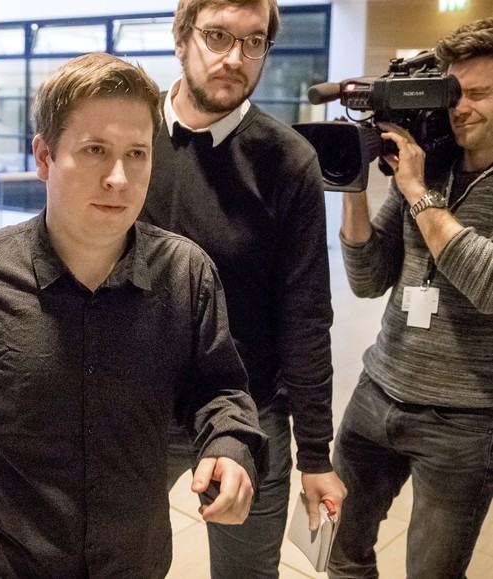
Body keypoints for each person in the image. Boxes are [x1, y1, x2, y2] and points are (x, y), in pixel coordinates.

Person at [0, 52, 269, 578]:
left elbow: (220, 387)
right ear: (45, 157)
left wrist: (229, 444)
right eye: (95, 150)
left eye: (137, 153)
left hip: (135, 561)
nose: (119, 178)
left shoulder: (185, 273)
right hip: (15, 563)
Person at [137, 0, 348, 576]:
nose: (235, 58)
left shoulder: (287, 160)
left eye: (253, 42)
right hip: (134, 402)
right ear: (181, 39)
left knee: (247, 573)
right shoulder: (130, 136)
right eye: (217, 36)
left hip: (249, 409)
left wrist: (315, 455)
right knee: (109, 558)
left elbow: (305, 315)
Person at [328, 17, 493, 579]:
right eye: (454, 93)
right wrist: (352, 188)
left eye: (479, 94)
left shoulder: (424, 181)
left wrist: (419, 195)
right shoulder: (434, 165)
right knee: (341, 553)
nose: (460, 108)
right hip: (378, 391)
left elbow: (489, 285)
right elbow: (369, 279)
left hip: (466, 422)